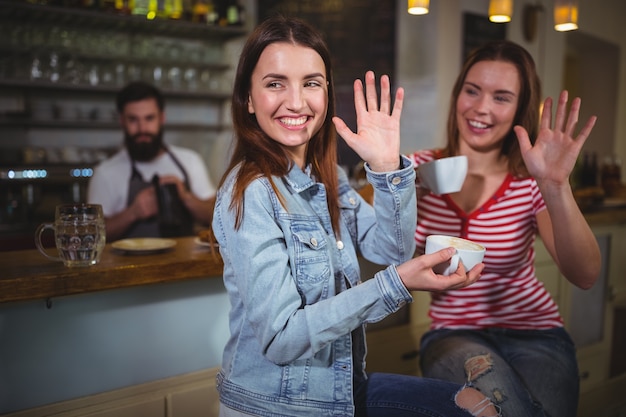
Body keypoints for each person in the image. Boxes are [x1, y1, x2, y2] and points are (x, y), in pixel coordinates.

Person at [212, 15, 499, 417]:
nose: (296, 101)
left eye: (311, 83)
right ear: (248, 98)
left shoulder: (327, 180)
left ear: (326, 93)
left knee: (479, 407)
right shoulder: (251, 193)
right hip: (277, 406)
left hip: (338, 390)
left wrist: (385, 169)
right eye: (275, 83)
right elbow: (281, 339)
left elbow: (391, 249)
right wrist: (395, 284)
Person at [407, 40, 601, 417]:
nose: (481, 108)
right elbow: (362, 224)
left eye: (501, 97)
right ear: (457, 94)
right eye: (472, 91)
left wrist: (556, 185)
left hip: (538, 333)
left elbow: (586, 275)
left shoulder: (532, 179)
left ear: (518, 109)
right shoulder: (416, 170)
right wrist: (391, 182)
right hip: (452, 334)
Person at [88, 81, 216, 241]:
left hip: (185, 264)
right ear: (122, 121)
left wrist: (186, 198)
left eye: (149, 118)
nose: (142, 129)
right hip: (129, 265)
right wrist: (133, 213)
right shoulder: (105, 173)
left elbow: (218, 218)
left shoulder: (190, 161)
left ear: (162, 118)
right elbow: (92, 235)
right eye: (133, 120)